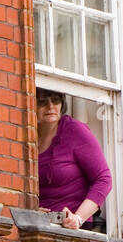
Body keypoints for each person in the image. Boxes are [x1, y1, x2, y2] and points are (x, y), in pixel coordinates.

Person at [36, 88, 112, 229]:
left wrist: (78, 218)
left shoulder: (75, 131)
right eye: (42, 102)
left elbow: (104, 179)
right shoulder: (25, 135)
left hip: (73, 229)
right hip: (40, 226)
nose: (51, 106)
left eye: (56, 100)